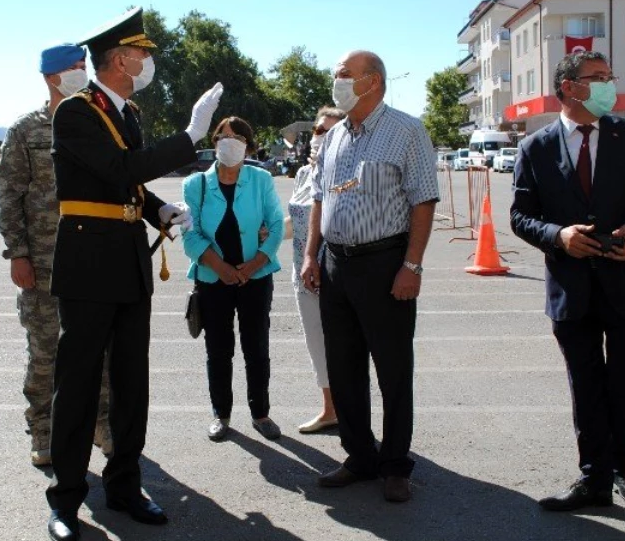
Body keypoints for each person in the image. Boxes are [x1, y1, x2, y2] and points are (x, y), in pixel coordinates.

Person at [45, 7, 223, 541]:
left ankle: (124, 485)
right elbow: (121, 169)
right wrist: (191, 135)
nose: (147, 62)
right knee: (76, 386)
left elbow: (127, 188)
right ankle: (67, 499)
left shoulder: (127, 113)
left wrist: (159, 211)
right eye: (141, 54)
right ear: (120, 59)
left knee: (131, 382)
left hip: (126, 260)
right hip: (87, 265)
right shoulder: (76, 112)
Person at [509, 51, 625, 513]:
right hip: (572, 290)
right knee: (585, 384)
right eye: (596, 78)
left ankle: (623, 467)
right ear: (568, 87)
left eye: (609, 77)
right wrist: (558, 236)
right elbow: (521, 217)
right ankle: (593, 478)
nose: (608, 85)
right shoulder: (536, 147)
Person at [300, 50, 439, 503]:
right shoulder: (335, 136)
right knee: (344, 368)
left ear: (372, 81)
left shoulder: (405, 131)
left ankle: (396, 464)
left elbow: (423, 200)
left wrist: (412, 265)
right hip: (336, 264)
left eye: (344, 75)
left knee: (394, 369)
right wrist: (311, 255)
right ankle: (360, 456)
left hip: (385, 264)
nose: (336, 82)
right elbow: (320, 197)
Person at [0, 43, 111, 468]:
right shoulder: (27, 130)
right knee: (46, 351)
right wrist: (18, 254)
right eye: (74, 68)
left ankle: (101, 422)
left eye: (84, 66)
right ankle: (43, 428)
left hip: (93, 261)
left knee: (99, 347)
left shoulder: (100, 122)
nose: (82, 72)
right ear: (50, 77)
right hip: (43, 262)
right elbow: (9, 195)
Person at [182, 116, 285, 442]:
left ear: (248, 145)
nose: (229, 142)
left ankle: (261, 413)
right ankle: (221, 414)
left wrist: (253, 264)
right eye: (222, 136)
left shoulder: (261, 179)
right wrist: (222, 268)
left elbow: (276, 225)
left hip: (255, 278)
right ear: (213, 144)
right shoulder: (194, 185)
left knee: (256, 348)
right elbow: (190, 235)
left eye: (237, 137)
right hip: (213, 280)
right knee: (218, 349)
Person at [289, 108, 343, 433]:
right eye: (317, 130)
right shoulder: (302, 176)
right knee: (316, 345)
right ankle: (330, 409)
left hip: (334, 275)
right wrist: (261, 232)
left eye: (328, 132)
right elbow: (299, 223)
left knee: (342, 347)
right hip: (302, 274)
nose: (318, 137)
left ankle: (350, 413)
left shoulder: (344, 176)